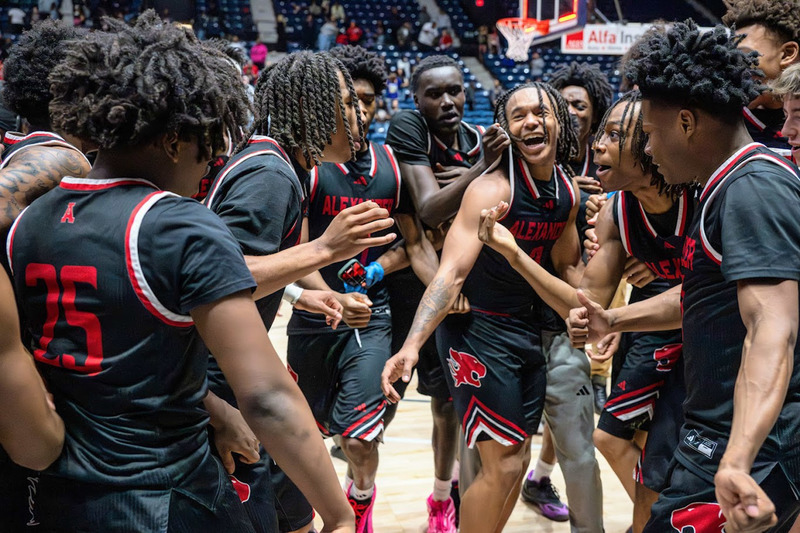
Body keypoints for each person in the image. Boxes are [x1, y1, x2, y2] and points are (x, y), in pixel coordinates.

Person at [10, 14, 355, 532]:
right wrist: (338, 512)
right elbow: (265, 397)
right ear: (175, 140)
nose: (214, 160)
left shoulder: (29, 220)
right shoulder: (177, 226)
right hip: (164, 491)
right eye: (209, 142)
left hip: (57, 492)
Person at [571, 20, 800, 532]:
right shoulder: (727, 185)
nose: (647, 150)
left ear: (688, 123)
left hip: (746, 441)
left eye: (650, 134)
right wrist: (615, 319)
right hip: (727, 433)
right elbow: (704, 294)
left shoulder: (751, 190)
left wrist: (738, 458)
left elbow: (772, 330)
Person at [480, 89, 692, 532]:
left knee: (665, 452)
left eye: (613, 135)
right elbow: (587, 299)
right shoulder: (614, 211)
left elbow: (700, 297)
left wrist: (613, 320)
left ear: (650, 143)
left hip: (709, 329)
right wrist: (517, 255)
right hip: (651, 321)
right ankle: (669, 517)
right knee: (619, 442)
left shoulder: (703, 194)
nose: (596, 144)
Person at [204, 49, 395, 533]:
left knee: (298, 518)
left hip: (232, 372)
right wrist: (325, 251)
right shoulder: (270, 173)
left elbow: (248, 261)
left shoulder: (280, 162)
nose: (358, 113)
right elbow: (214, 276)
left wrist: (296, 293)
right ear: (312, 106)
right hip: (217, 383)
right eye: (347, 101)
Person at [383, 81, 584, 533]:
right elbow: (450, 274)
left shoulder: (568, 192)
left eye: (541, 112)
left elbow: (569, 271)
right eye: (518, 116)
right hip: (475, 329)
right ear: (506, 130)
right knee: (505, 462)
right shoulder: (491, 189)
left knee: (516, 460)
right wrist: (414, 344)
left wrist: (601, 314)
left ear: (559, 122)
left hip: (526, 330)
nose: (531, 121)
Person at [284, 45, 431, 533]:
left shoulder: (391, 162)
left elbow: (409, 244)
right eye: (349, 100)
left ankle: (361, 504)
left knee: (361, 435)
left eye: (366, 100)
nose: (359, 110)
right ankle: (306, 510)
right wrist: (326, 293)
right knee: (303, 432)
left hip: (373, 313)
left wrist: (374, 273)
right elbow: (298, 248)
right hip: (313, 313)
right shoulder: (309, 166)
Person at [385, 55, 508, 533]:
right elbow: (432, 213)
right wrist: (479, 170)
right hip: (415, 286)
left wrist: (460, 186)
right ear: (416, 100)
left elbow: (476, 214)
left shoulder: (475, 139)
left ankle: (443, 497)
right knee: (406, 396)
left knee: (449, 404)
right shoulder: (408, 129)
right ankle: (363, 477)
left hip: (464, 285)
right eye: (434, 94)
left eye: (455, 90)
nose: (448, 101)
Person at [723, 0, 800, 159]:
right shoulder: (725, 122)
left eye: (743, 55)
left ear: (787, 53)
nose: (735, 67)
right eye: (731, 58)